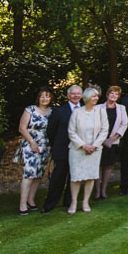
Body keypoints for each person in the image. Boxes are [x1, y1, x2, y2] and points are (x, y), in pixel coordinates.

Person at [41, 85, 83, 213]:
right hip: (62, 149)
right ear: (68, 95)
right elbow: (51, 131)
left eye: (78, 93)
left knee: (74, 177)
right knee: (58, 178)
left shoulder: (85, 109)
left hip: (79, 149)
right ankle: (50, 204)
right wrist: (57, 144)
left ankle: (69, 201)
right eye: (73, 94)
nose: (76, 96)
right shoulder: (59, 111)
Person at [67, 87, 107, 214]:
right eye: (93, 96)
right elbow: (71, 132)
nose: (96, 98)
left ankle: (85, 202)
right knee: (76, 177)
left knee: (91, 176)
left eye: (96, 96)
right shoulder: (77, 112)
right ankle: (73, 202)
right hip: (78, 150)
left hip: (95, 150)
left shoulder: (100, 111)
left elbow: (104, 130)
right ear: (87, 98)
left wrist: (94, 145)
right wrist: (84, 145)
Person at [17, 87, 53, 215]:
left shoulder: (52, 111)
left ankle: (31, 200)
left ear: (51, 98)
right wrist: (32, 142)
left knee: (38, 173)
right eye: (42, 96)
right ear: (38, 97)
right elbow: (22, 128)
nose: (44, 99)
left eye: (47, 96)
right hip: (30, 144)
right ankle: (22, 204)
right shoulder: (30, 109)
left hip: (45, 146)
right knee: (29, 173)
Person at [94, 85, 128, 200]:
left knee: (108, 166)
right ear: (107, 94)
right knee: (98, 166)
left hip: (113, 141)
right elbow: (94, 124)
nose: (114, 95)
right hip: (98, 141)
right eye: (112, 93)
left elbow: (124, 124)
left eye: (116, 94)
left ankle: (104, 190)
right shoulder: (98, 108)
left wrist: (112, 139)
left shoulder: (121, 108)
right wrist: (102, 139)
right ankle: (97, 191)